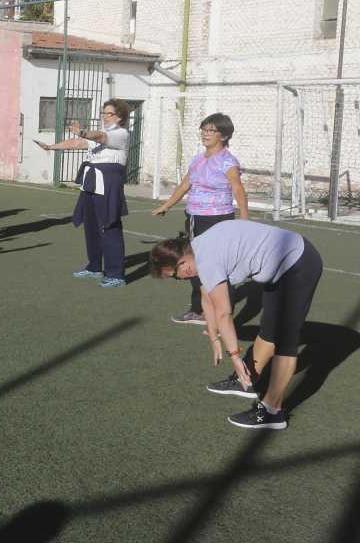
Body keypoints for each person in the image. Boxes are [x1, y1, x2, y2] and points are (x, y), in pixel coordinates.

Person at [149, 220, 322, 430]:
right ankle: (247, 381)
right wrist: (213, 338)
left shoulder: (206, 259)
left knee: (286, 341)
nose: (180, 279)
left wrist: (234, 355)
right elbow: (207, 298)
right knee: (268, 331)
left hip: (299, 264)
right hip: (280, 268)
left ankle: (272, 412)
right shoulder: (198, 248)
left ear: (183, 263)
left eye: (175, 276)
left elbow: (224, 313)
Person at [152, 113, 249, 325]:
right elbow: (186, 184)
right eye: (203, 130)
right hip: (195, 217)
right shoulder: (198, 159)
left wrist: (244, 219)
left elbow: (238, 189)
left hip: (218, 219)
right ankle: (201, 309)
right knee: (197, 263)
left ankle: (216, 312)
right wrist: (167, 205)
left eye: (211, 130)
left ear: (223, 136)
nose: (205, 134)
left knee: (215, 265)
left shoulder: (227, 162)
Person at [37, 99, 132, 287]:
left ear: (119, 117)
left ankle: (116, 274)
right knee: (91, 227)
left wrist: (84, 131)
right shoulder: (101, 133)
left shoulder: (121, 134)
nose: (104, 117)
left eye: (109, 113)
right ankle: (94, 266)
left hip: (108, 183)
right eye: (103, 113)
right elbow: (77, 142)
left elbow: (100, 137)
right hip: (91, 182)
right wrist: (50, 147)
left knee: (109, 226)